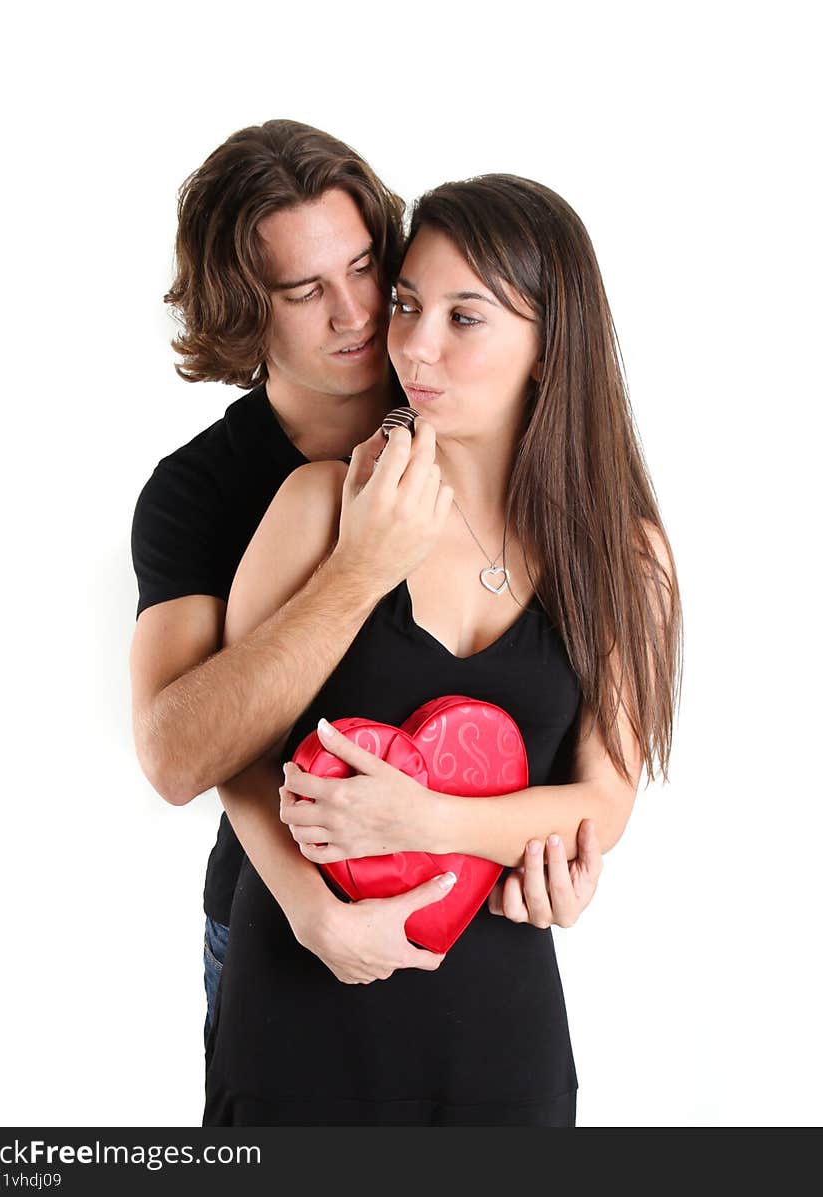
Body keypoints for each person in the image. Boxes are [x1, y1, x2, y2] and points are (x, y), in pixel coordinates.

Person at [202, 173, 683, 1127]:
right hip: (300, 1003)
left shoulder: (625, 555)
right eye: (410, 304)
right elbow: (234, 746)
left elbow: (603, 801)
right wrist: (313, 909)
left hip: (499, 1027)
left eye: (467, 317)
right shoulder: (319, 507)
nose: (414, 345)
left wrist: (422, 816)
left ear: (549, 348)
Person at [129, 122, 605, 1043]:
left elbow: (552, 707)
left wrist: (556, 846)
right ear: (241, 308)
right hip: (282, 915)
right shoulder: (203, 492)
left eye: (367, 273)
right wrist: (355, 573)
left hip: (481, 929)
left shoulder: (464, 405)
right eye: (306, 290)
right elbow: (185, 753)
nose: (357, 316)